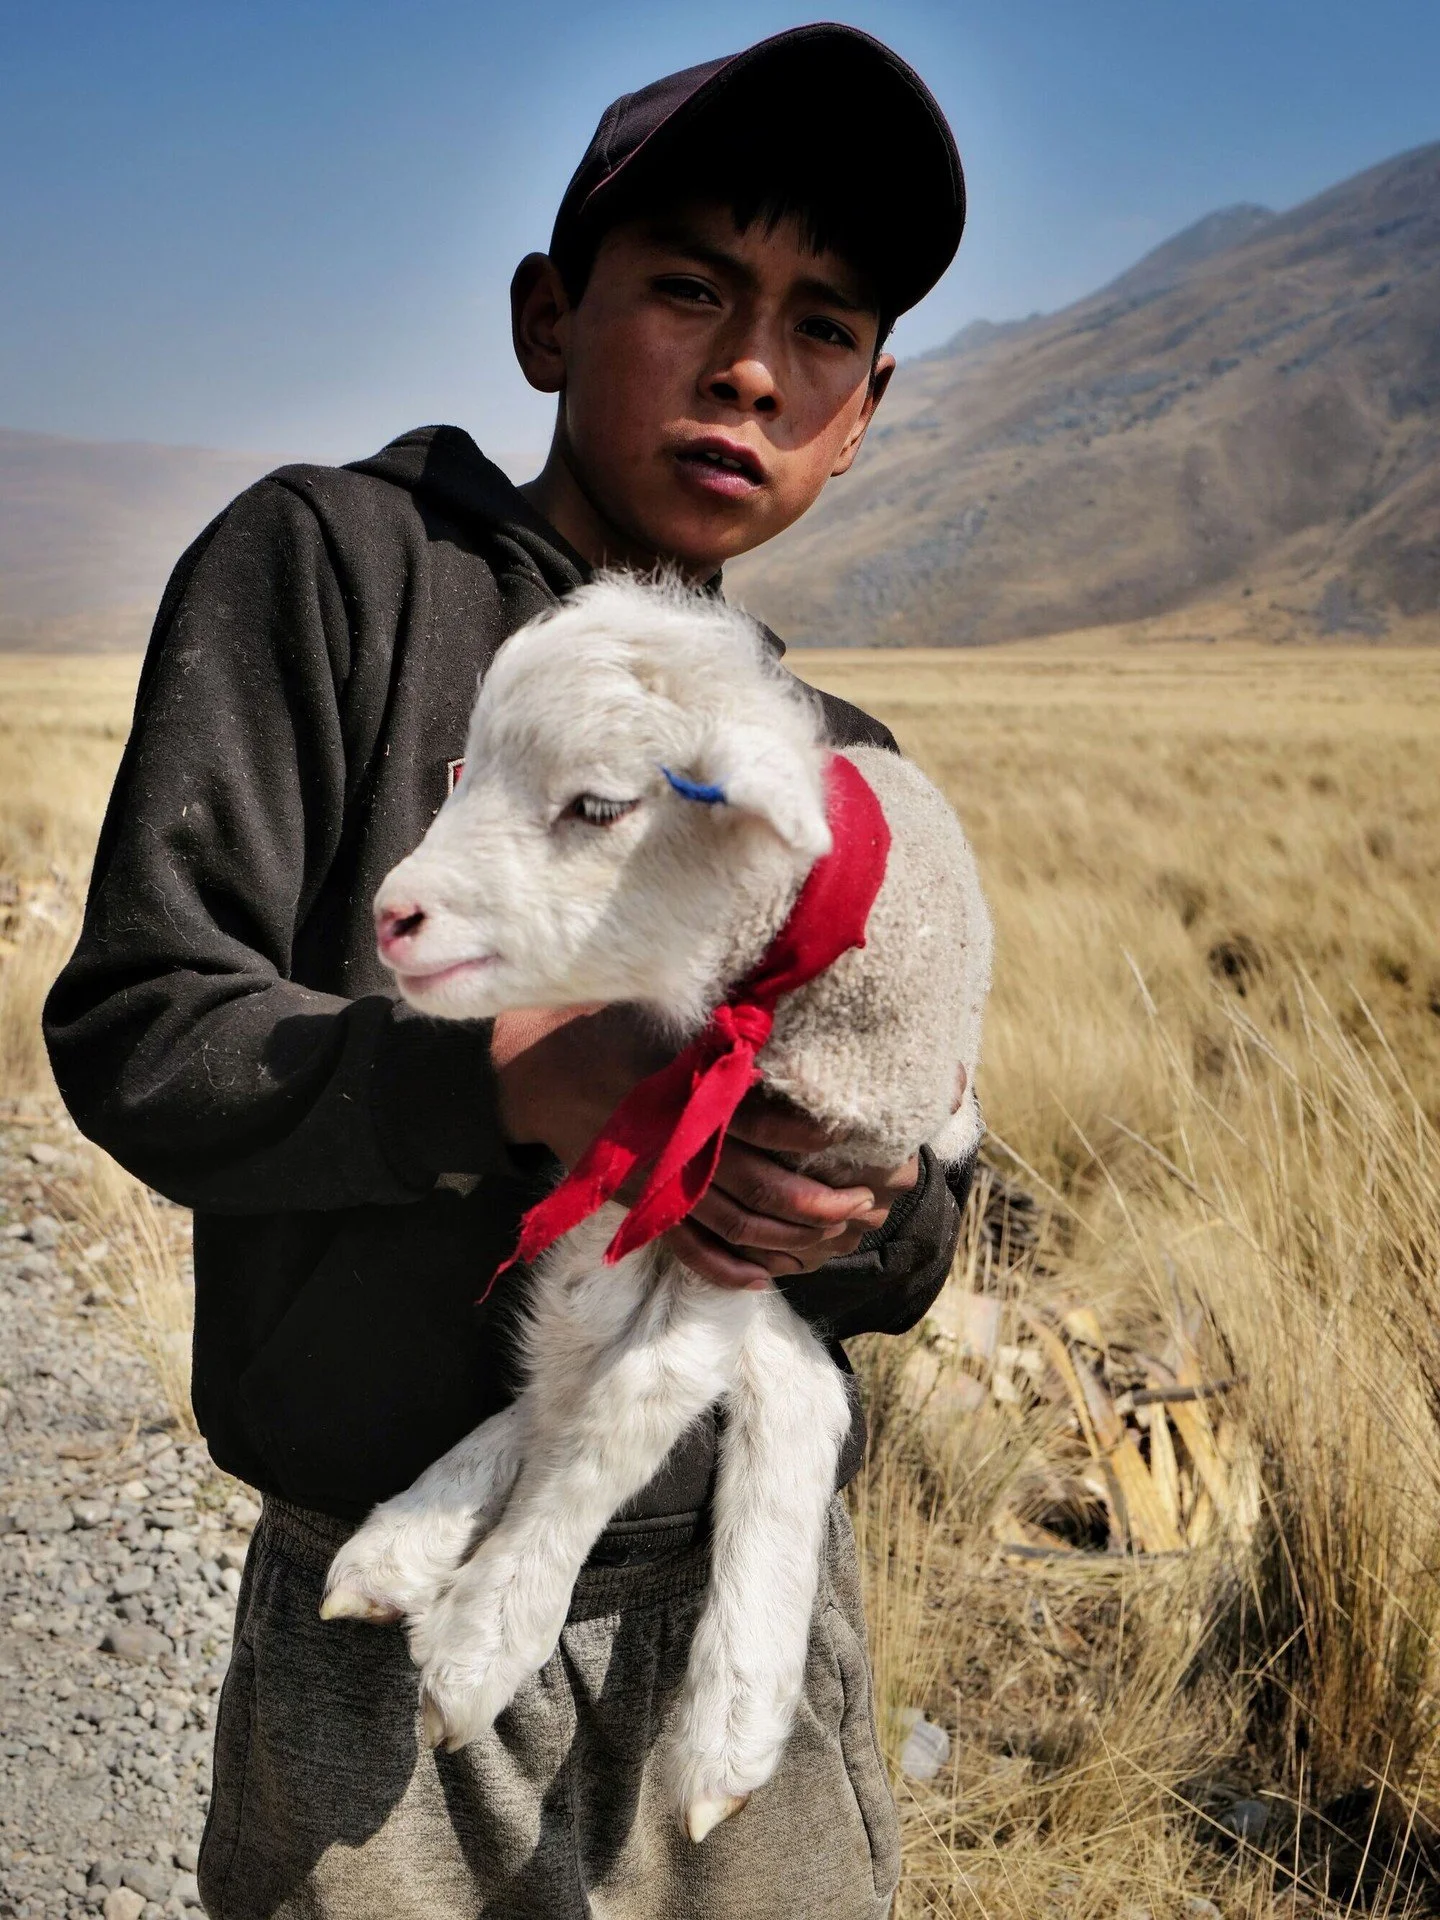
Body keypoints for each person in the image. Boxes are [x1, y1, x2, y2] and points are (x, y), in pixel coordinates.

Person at [45, 23, 972, 1919]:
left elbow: (921, 1211)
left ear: (867, 406)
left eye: (819, 328)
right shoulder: (335, 577)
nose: (745, 367)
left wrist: (859, 1202)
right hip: (382, 1618)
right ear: (551, 314)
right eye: (692, 285)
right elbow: (147, 1024)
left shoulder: (821, 767)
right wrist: (494, 1086)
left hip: (739, 1620)